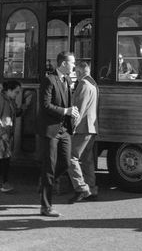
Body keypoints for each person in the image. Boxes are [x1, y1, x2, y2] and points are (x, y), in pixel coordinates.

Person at [38, 51, 80, 217]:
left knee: (66, 163)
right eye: (72, 63)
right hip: (50, 129)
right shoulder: (49, 80)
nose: (74, 66)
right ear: (63, 64)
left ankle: (44, 182)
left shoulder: (67, 80)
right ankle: (46, 207)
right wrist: (66, 111)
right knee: (49, 166)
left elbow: (68, 103)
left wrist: (72, 112)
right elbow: (45, 105)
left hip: (64, 130)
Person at [0, 79, 28, 192]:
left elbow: (16, 113)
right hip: (1, 134)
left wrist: (24, 108)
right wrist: (2, 133)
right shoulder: (1, 100)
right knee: (5, 159)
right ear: (9, 90)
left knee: (3, 159)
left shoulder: (10, 100)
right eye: (16, 92)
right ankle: (4, 183)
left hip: (6, 134)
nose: (17, 94)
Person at [69, 60, 99, 202]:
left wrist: (71, 127)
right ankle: (92, 188)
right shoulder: (93, 85)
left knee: (71, 157)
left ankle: (81, 188)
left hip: (82, 128)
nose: (75, 74)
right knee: (87, 160)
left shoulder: (83, 85)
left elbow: (78, 110)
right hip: (92, 128)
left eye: (76, 71)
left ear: (80, 72)